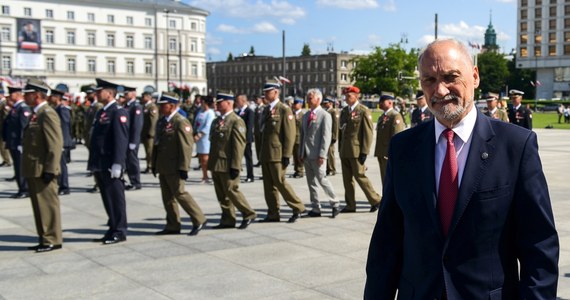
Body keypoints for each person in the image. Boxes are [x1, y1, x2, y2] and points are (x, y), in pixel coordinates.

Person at [364, 38, 559, 299]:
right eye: (429, 80)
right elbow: (387, 242)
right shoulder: (403, 148)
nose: (440, 90)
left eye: (450, 77)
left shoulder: (516, 146)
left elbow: (539, 245)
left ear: (475, 76)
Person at [152, 92, 206, 236]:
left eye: (163, 105)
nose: (160, 108)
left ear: (172, 105)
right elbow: (158, 144)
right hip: (164, 165)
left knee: (180, 193)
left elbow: (186, 146)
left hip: (175, 166)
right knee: (167, 197)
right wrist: (154, 163)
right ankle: (172, 224)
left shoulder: (181, 121)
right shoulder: (163, 121)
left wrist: (184, 167)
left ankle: (198, 219)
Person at [21, 79, 64, 253]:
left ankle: (52, 239)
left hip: (42, 168)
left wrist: (50, 168)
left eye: (27, 94)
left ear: (37, 95)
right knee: (39, 206)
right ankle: (44, 237)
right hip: (34, 168)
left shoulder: (47, 113)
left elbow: (55, 144)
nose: (24, 96)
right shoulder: (36, 113)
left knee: (47, 205)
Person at [88, 78, 129, 245]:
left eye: (100, 91)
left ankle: (120, 230)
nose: (97, 94)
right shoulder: (101, 112)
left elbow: (121, 139)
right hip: (100, 162)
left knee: (115, 197)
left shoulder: (118, 112)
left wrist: (118, 163)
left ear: (110, 93)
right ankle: (112, 226)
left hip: (111, 162)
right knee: (106, 197)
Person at [259, 79, 306, 223]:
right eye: (265, 92)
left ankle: (297, 207)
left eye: (268, 92)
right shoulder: (267, 109)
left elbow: (290, 134)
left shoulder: (284, 109)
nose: (266, 94)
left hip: (278, 154)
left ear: (276, 92)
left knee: (280, 182)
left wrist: (287, 155)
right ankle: (273, 212)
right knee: (268, 185)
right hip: (266, 153)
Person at [208, 92, 257, 229]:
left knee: (232, 190)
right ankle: (228, 219)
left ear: (229, 103)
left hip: (228, 163)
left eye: (220, 102)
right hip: (216, 162)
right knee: (221, 194)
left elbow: (238, 145)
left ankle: (248, 213)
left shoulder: (236, 121)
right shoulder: (216, 121)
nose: (216, 104)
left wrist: (236, 165)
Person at [338, 86, 381, 213]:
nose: (347, 98)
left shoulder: (363, 111)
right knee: (347, 180)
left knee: (360, 176)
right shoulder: (345, 111)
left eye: (349, 95)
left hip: (356, 151)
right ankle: (350, 205)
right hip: (345, 150)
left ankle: (376, 200)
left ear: (357, 96)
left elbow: (368, 133)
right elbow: (341, 131)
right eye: (345, 96)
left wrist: (364, 152)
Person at [299, 89, 339, 218]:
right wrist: (301, 152)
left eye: (310, 98)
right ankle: (315, 207)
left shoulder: (324, 115)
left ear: (318, 99)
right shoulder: (306, 115)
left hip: (317, 155)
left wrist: (322, 154)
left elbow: (326, 136)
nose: (308, 100)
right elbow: (303, 136)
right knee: (311, 182)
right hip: (307, 154)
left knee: (322, 179)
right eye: (307, 97)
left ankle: (335, 203)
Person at [4, 86, 32, 198]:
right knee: (17, 166)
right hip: (13, 142)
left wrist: (22, 142)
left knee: (20, 167)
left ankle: (24, 189)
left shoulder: (23, 108)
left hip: (18, 143)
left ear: (17, 94)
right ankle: (21, 187)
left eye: (12, 94)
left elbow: (23, 127)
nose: (10, 96)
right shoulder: (15, 108)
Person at [374, 93, 404, 183]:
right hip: (381, 152)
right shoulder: (382, 116)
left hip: (388, 153)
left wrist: (392, 153)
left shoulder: (395, 116)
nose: (380, 103)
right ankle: (386, 196)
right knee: (384, 178)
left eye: (383, 101)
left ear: (390, 102)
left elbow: (396, 136)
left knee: (390, 179)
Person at [48, 89, 73, 195]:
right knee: (58, 164)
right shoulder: (56, 108)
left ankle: (64, 186)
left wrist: (61, 142)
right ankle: (61, 184)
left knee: (62, 165)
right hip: (59, 141)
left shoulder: (62, 109)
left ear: (57, 98)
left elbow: (64, 126)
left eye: (52, 96)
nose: (50, 98)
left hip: (62, 141)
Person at [122, 86, 143, 190]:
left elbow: (136, 125)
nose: (125, 95)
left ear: (133, 94)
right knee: (126, 160)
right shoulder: (126, 105)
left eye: (127, 93)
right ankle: (130, 180)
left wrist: (133, 141)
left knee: (132, 161)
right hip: (125, 138)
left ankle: (136, 182)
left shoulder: (136, 106)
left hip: (131, 139)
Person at [193, 96, 215, 183]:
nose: (201, 103)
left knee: (207, 158)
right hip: (199, 138)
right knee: (202, 158)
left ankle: (213, 176)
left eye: (202, 102)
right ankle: (205, 176)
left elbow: (208, 126)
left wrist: (200, 134)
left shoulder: (210, 113)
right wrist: (194, 132)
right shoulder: (200, 111)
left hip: (206, 138)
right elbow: (196, 122)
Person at [234, 94, 255, 182]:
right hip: (238, 138)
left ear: (243, 101)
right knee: (237, 157)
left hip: (245, 139)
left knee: (248, 157)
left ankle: (250, 175)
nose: (236, 103)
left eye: (238, 101)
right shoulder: (238, 112)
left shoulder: (249, 111)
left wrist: (246, 138)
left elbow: (249, 126)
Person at [140, 91, 158, 174]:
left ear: (148, 97)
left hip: (149, 133)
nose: (142, 98)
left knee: (150, 151)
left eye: (143, 97)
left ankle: (150, 166)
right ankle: (148, 165)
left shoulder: (152, 107)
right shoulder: (144, 106)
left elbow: (153, 121)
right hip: (144, 132)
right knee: (147, 151)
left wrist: (151, 133)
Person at [321, 97, 338, 176]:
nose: (325, 104)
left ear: (330, 103)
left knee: (330, 153)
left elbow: (335, 125)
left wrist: (334, 136)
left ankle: (332, 169)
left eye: (326, 103)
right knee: (326, 153)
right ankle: (328, 168)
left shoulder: (333, 112)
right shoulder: (325, 111)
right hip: (325, 135)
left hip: (330, 136)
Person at [0, 92, 12, 167]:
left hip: (2, 127)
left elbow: (5, 115)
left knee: (2, 145)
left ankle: (7, 160)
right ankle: (5, 159)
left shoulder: (4, 103)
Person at [253, 95, 265, 167]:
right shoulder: (256, 108)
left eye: (257, 99)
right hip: (257, 130)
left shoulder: (264, 108)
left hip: (261, 131)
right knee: (257, 146)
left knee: (261, 146)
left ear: (261, 99)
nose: (256, 100)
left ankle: (262, 160)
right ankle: (259, 160)